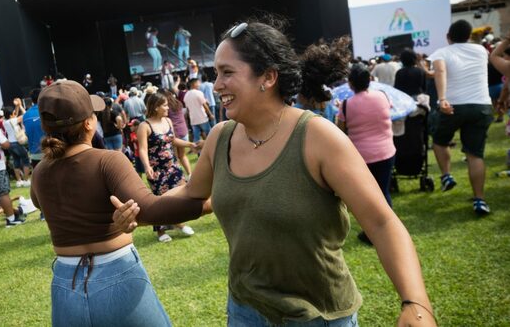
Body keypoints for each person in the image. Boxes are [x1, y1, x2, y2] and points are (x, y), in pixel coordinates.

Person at [113, 20, 437, 326]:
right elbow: (192, 194)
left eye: (227, 72)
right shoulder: (220, 137)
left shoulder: (319, 138)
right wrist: (140, 212)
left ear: (267, 77)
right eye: (215, 72)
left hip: (318, 317)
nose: (217, 84)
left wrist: (416, 303)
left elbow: (381, 222)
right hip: (244, 311)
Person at [29, 80, 208, 326]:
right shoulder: (108, 161)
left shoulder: (39, 172)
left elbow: (40, 204)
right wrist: (210, 204)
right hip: (115, 272)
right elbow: (150, 209)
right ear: (89, 123)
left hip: (65, 282)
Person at [428, 19, 493, 215]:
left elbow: (440, 71)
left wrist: (442, 99)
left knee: (439, 142)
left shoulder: (442, 52)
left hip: (454, 106)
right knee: (475, 154)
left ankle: (446, 175)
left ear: (448, 37)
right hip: (481, 105)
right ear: (469, 35)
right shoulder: (482, 50)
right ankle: (479, 200)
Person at [338, 64, 396, 245]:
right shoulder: (383, 96)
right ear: (369, 80)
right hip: (386, 152)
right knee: (384, 191)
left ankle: (372, 233)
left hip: (362, 158)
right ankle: (390, 230)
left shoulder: (347, 104)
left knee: (368, 196)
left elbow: (341, 130)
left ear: (350, 84)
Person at [137, 92, 198, 242]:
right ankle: (161, 231)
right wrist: (147, 167)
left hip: (173, 166)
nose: (167, 107)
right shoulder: (144, 126)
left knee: (179, 196)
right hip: (157, 170)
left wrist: (190, 144)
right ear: (156, 107)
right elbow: (143, 149)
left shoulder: (168, 121)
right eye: (164, 105)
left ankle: (179, 222)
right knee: (161, 201)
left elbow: (173, 140)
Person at [159, 89, 192, 177]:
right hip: (184, 131)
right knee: (183, 155)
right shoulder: (178, 103)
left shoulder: (165, 107)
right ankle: (190, 174)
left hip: (174, 134)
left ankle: (180, 177)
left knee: (176, 158)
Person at [3, 105, 31, 187]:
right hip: (17, 143)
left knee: (16, 162)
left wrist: (17, 106)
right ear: (11, 114)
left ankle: (19, 181)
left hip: (10, 144)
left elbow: (15, 115)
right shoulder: (13, 121)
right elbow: (25, 115)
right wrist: (21, 106)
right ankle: (26, 180)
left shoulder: (6, 122)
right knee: (26, 160)